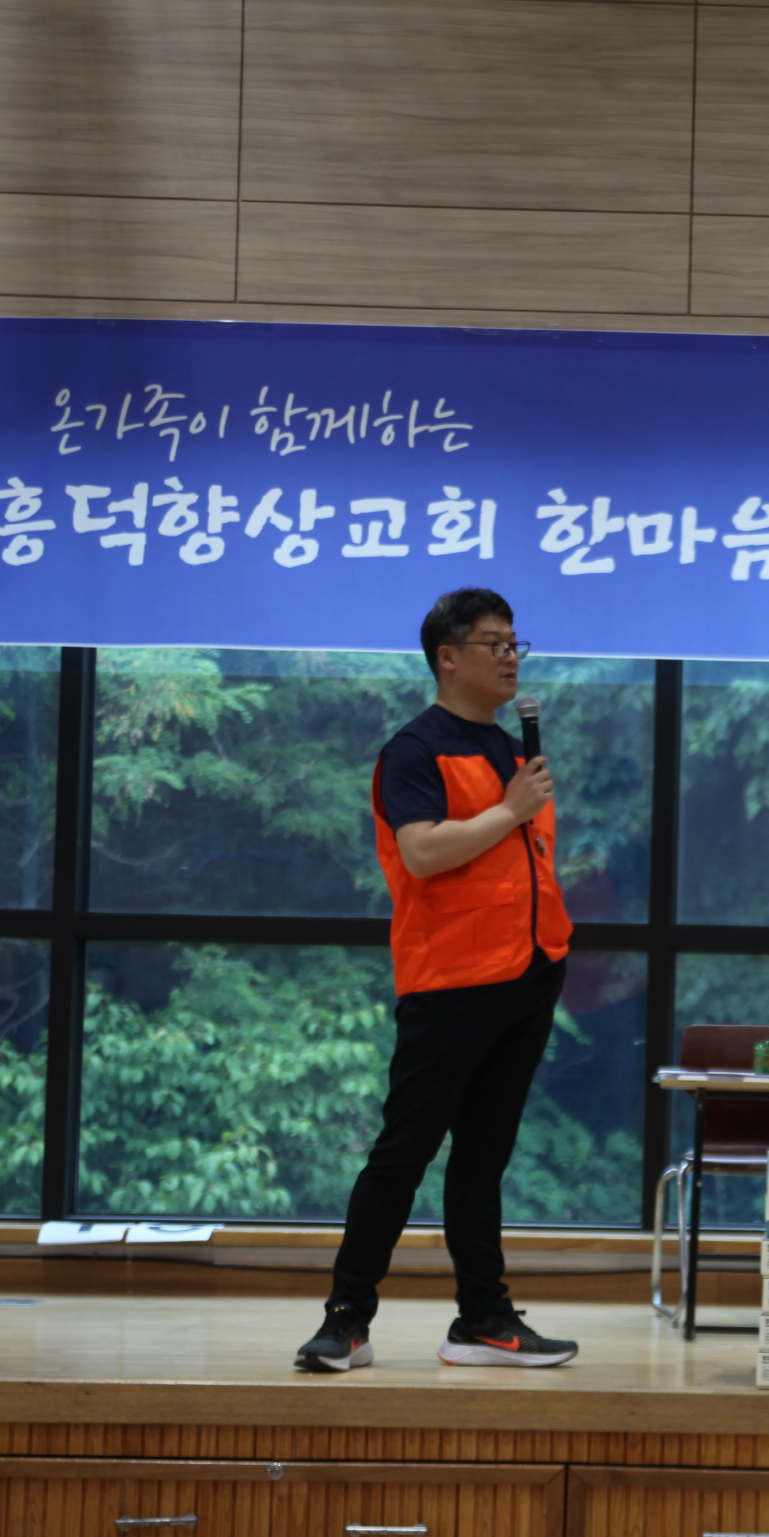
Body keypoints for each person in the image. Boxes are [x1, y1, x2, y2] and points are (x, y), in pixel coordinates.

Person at [295, 588, 580, 1373]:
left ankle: (482, 1318)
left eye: (515, 642)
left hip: (528, 972)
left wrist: (550, 946)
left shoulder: (513, 752)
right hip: (450, 979)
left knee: (484, 1156)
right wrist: (511, 809)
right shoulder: (413, 751)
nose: (511, 656)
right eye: (494, 642)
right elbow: (422, 852)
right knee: (404, 1151)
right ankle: (345, 1318)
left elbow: (527, 862)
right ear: (447, 657)